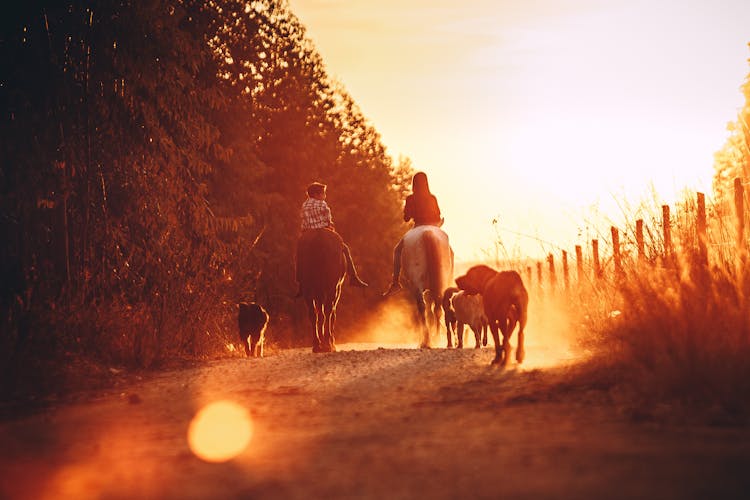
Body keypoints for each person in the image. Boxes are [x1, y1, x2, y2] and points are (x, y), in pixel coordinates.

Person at [296, 182, 368, 295]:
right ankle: (353, 277)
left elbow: (304, 220)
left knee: (300, 254)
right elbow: (328, 219)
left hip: (308, 232)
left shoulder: (305, 205)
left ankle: (300, 281)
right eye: (323, 193)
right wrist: (329, 225)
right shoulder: (322, 204)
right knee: (344, 248)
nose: (324, 196)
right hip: (324, 229)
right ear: (316, 194)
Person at [382, 171, 444, 296]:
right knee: (450, 251)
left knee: (397, 251)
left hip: (418, 226)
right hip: (433, 227)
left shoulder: (410, 198)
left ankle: (395, 283)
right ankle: (448, 276)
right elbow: (438, 215)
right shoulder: (432, 198)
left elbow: (406, 218)